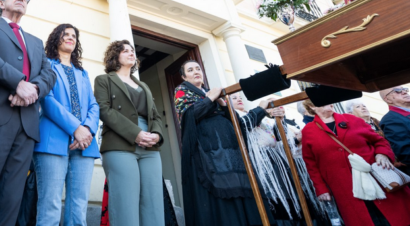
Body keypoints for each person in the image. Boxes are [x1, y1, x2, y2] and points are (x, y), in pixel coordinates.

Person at [0, 0, 57, 226]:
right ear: (1, 3)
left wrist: (32, 89)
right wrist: (17, 83)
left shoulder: (36, 42)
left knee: (11, 196)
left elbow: (49, 74)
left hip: (27, 125)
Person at [174, 61, 274, 226]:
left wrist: (223, 104)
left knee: (242, 191)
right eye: (190, 70)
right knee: (222, 198)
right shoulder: (181, 91)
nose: (196, 72)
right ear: (184, 77)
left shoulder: (213, 93)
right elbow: (189, 117)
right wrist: (210, 98)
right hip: (209, 153)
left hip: (232, 152)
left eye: (198, 68)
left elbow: (238, 123)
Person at [33, 23, 100, 226]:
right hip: (52, 141)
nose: (70, 37)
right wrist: (75, 128)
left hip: (85, 144)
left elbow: (93, 105)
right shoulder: (46, 65)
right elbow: (47, 100)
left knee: (79, 205)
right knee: (50, 204)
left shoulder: (83, 74)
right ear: (56, 39)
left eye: (74, 35)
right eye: (65, 34)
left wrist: (87, 129)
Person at [301, 103, 410, 226]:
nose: (330, 103)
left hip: (376, 178)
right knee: (365, 219)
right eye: (323, 101)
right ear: (312, 106)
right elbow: (311, 164)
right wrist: (321, 189)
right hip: (344, 187)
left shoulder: (352, 119)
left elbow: (380, 141)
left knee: (397, 217)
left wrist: (382, 154)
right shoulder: (308, 131)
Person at [94, 40, 165, 226]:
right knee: (125, 203)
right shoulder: (104, 80)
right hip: (120, 143)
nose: (131, 53)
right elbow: (104, 110)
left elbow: (155, 116)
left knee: (154, 202)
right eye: (125, 50)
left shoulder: (143, 85)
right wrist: (136, 133)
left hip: (150, 146)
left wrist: (157, 135)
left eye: (132, 50)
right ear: (115, 56)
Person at [231, 94, 323, 225]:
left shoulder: (262, 119)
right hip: (263, 166)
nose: (239, 99)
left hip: (278, 162)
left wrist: (280, 119)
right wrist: (261, 109)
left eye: (240, 97)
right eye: (234, 98)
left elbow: (279, 140)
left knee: (294, 200)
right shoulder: (235, 116)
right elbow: (243, 127)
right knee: (278, 202)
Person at [380, 86, 410, 175]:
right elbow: (406, 153)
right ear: (388, 99)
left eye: (405, 89)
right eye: (397, 91)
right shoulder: (390, 120)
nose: (404, 92)